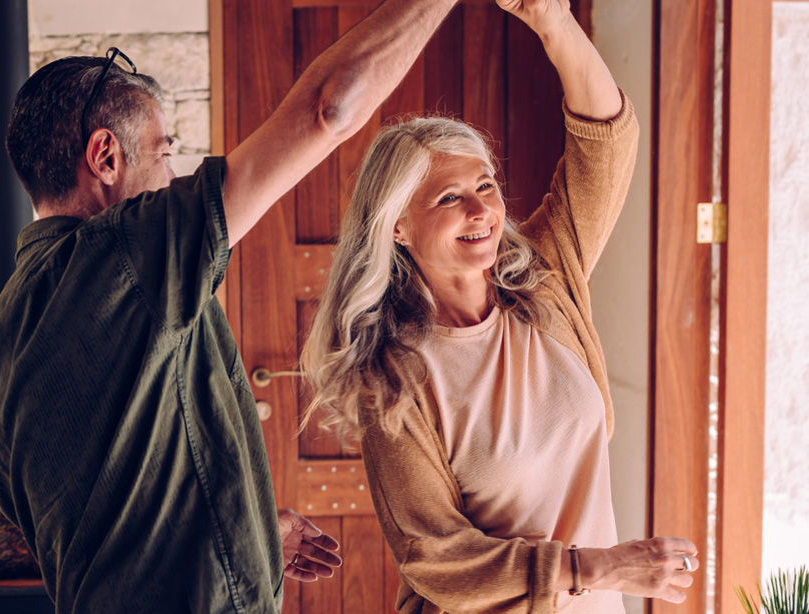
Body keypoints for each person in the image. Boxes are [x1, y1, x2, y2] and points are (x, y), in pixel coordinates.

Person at [0, 0, 472, 609]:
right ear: (105, 157)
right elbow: (328, 109)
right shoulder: (126, 251)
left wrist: (240, 531)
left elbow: (106, 508)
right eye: (164, 153)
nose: (174, 175)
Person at [297, 0, 698, 612]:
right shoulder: (396, 376)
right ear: (398, 226)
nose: (482, 211)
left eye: (485, 185)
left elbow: (608, 145)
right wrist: (599, 566)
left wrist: (552, 22)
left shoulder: (544, 276)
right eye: (449, 198)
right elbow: (437, 558)